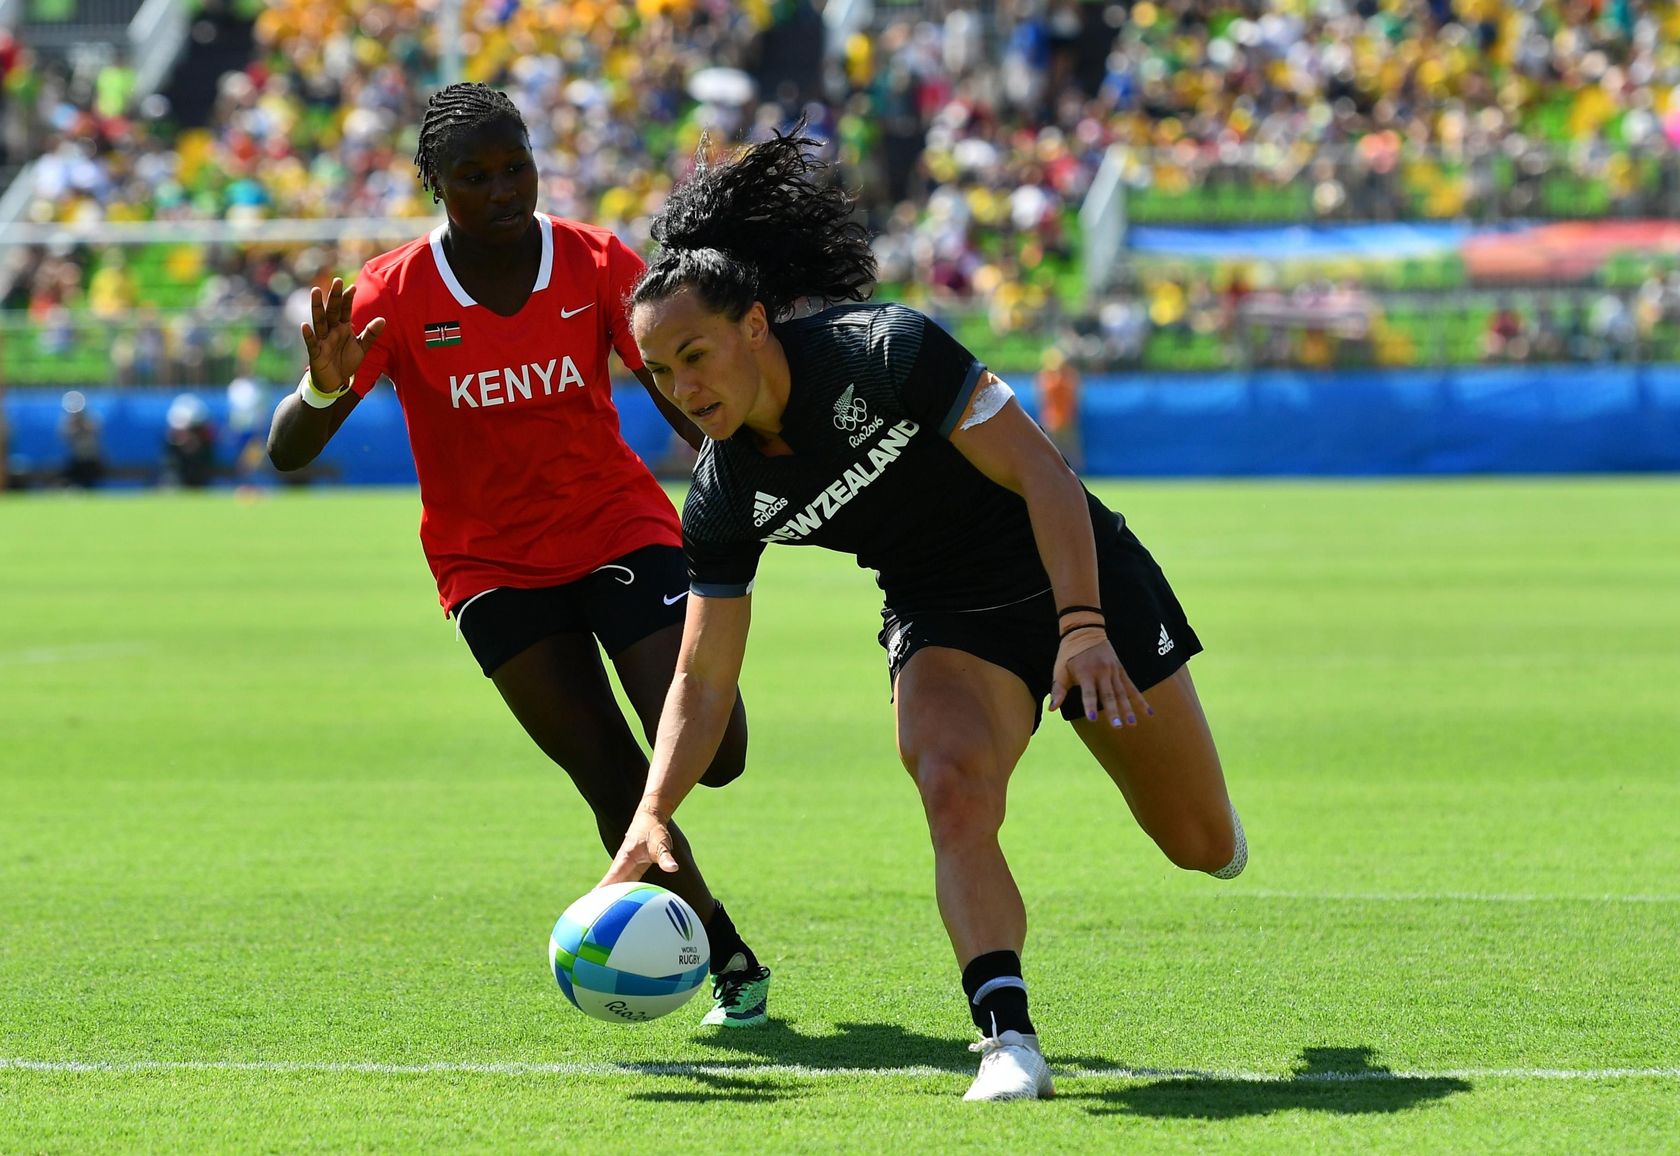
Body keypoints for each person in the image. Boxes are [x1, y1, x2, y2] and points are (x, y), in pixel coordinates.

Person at [599, 129, 1247, 1100]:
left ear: (755, 325)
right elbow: (701, 673)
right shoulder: (724, 493)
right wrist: (653, 811)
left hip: (1080, 578)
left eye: (695, 356)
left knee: (1198, 845)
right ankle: (1008, 1039)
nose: (685, 391)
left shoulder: (884, 351)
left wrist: (1081, 627)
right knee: (950, 785)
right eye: (661, 375)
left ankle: (1212, 825)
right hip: (947, 620)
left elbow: (1043, 474)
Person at [266, 83, 771, 1028]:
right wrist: (322, 388)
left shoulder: (592, 260)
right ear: (434, 185)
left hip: (619, 528)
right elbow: (285, 451)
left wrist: (732, 472)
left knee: (724, 750)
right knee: (612, 779)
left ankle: (709, 940)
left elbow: (674, 388)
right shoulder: (392, 292)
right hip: (489, 567)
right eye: (474, 176)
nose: (502, 190)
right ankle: (725, 954)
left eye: (516, 168)